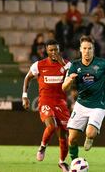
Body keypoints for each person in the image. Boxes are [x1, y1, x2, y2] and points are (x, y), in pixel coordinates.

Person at [62, 35, 105, 160]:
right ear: (80, 49)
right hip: (81, 104)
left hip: (98, 105)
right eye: (84, 48)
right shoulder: (74, 65)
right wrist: (70, 80)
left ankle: (90, 137)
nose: (87, 51)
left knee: (90, 132)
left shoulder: (102, 63)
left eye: (89, 48)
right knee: (71, 138)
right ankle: (75, 162)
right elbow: (63, 88)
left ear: (93, 49)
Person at [22, 40, 71, 172]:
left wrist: (63, 65)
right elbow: (27, 78)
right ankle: (43, 146)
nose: (54, 52)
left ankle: (62, 162)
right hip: (46, 101)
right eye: (51, 50)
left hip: (61, 102)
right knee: (52, 125)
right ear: (46, 51)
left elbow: (72, 81)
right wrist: (25, 96)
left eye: (56, 50)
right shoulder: (39, 65)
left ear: (59, 50)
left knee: (64, 135)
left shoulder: (67, 64)